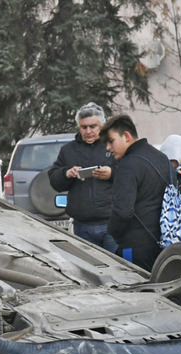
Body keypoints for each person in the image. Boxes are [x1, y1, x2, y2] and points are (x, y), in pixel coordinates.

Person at [99, 114, 170, 271]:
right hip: (167, 244)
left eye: (111, 141)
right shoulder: (161, 157)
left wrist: (113, 232)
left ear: (126, 136)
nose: (108, 148)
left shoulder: (127, 165)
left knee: (136, 292)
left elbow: (122, 212)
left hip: (135, 246)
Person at [47, 102, 117, 252]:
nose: (88, 131)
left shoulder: (113, 146)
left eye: (93, 126)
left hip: (112, 224)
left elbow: (131, 174)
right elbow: (54, 181)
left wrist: (112, 173)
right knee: (89, 272)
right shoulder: (68, 150)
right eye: (84, 127)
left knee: (119, 268)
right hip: (82, 227)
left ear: (102, 125)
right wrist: (67, 173)